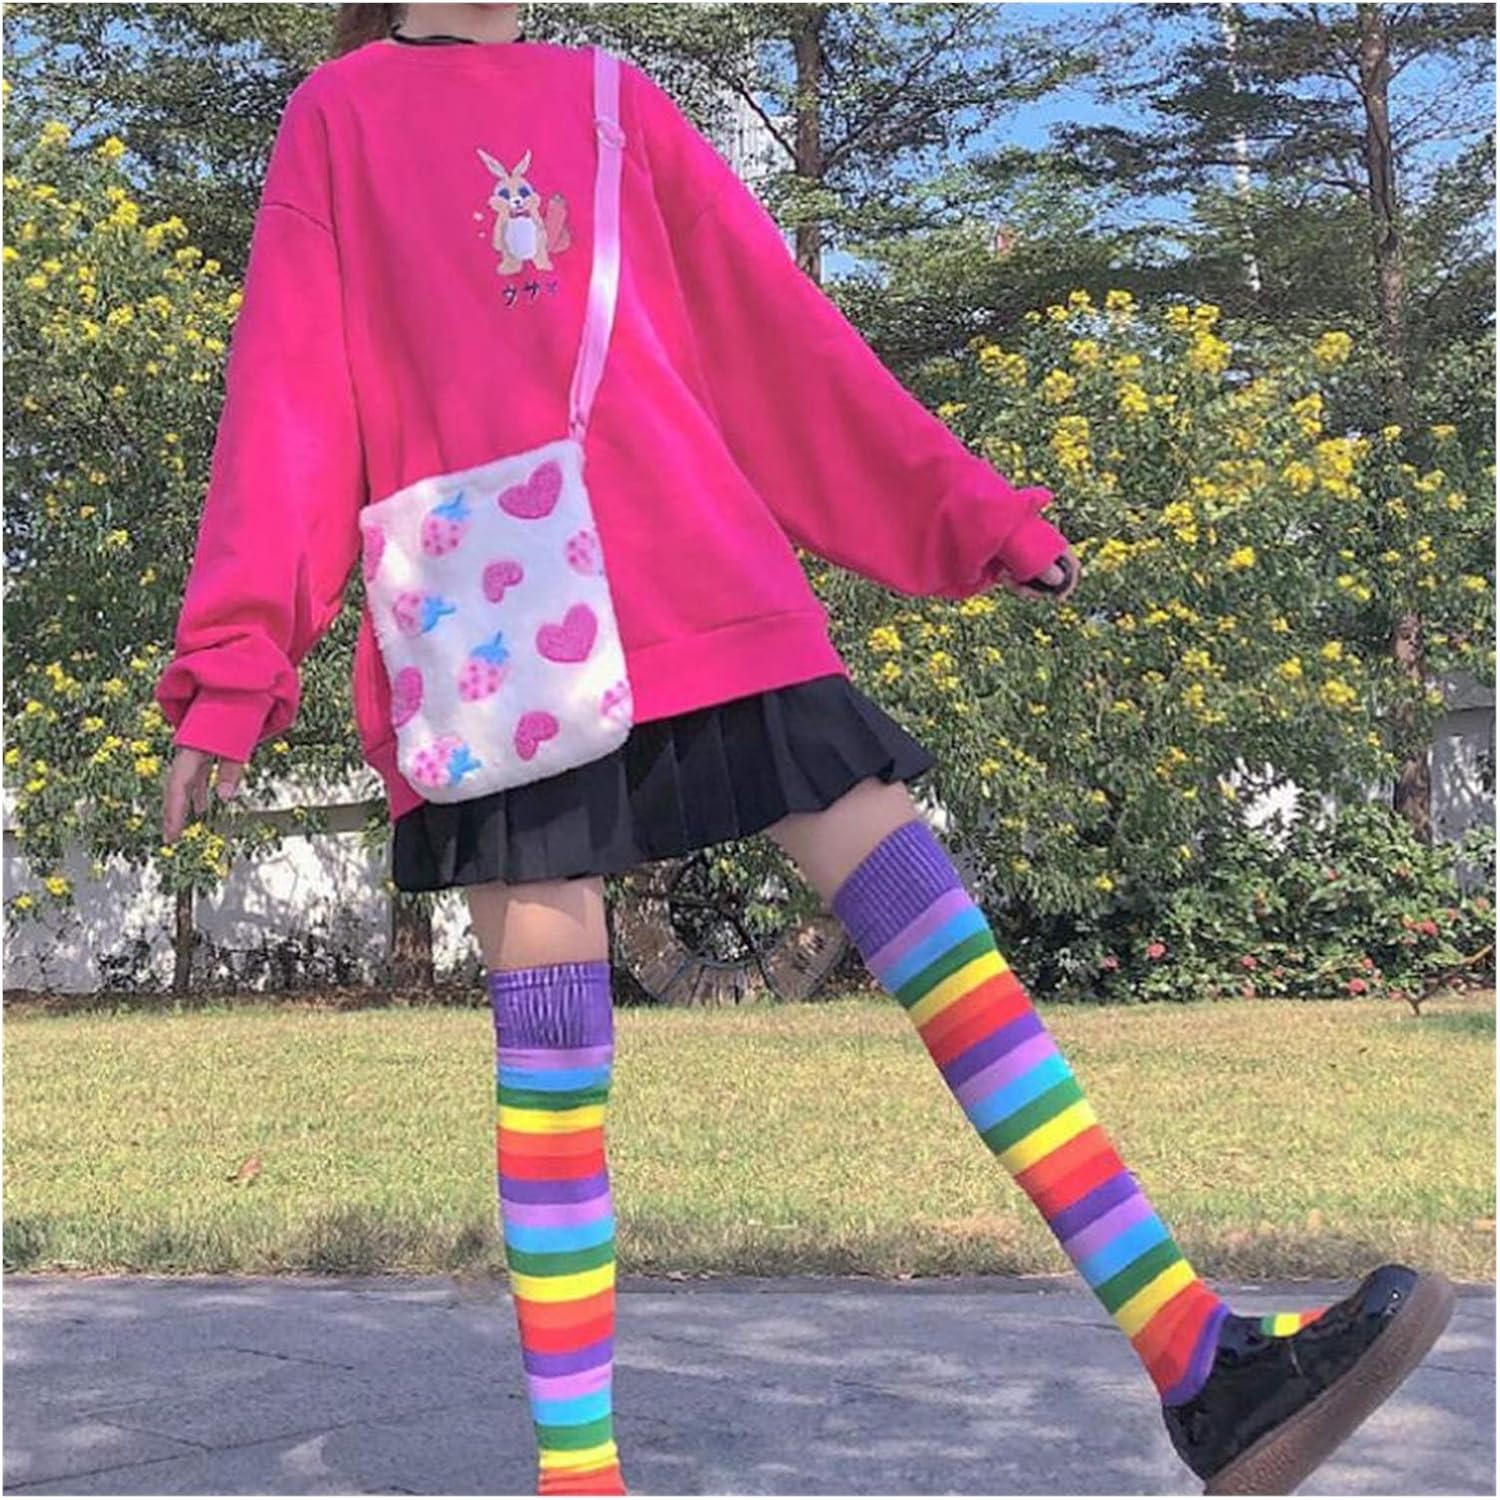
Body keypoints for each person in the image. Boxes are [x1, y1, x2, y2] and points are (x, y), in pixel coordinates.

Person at [155, 4, 1454, 1495]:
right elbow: (291, 404)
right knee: (553, 1043)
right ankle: (580, 1478)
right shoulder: (341, 114)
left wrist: (964, 511)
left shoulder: (614, 97)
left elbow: (774, 337)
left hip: (701, 579)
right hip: (500, 612)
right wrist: (233, 670)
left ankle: (1195, 1353)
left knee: (929, 925)